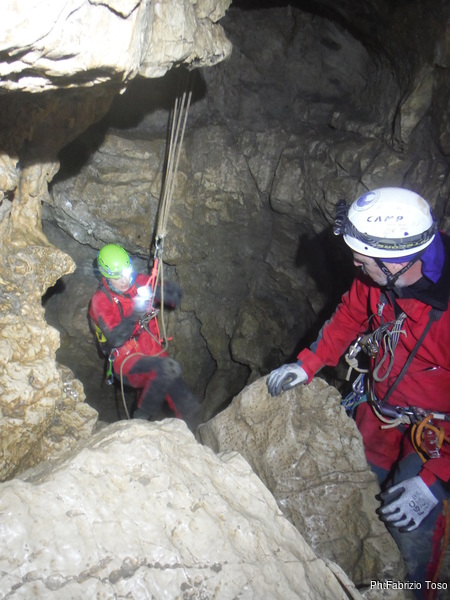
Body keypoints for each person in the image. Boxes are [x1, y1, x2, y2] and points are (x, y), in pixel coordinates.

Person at [266, 187, 450, 597]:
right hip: (381, 410)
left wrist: (433, 479)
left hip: (438, 439)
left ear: (397, 261)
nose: (355, 265)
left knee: (410, 527)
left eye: (363, 260)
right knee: (353, 486)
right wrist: (308, 364)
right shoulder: (380, 277)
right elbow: (351, 314)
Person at [89, 243, 201, 431]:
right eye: (117, 276)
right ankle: (140, 423)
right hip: (126, 359)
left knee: (178, 385)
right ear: (106, 276)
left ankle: (195, 428)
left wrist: (162, 291)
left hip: (151, 348)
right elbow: (115, 338)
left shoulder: (140, 282)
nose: (125, 279)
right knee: (166, 369)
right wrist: (137, 310)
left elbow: (174, 296)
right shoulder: (100, 301)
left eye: (126, 272)